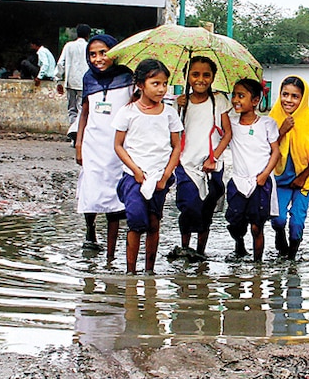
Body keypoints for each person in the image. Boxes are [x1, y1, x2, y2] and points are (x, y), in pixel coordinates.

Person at [113, 58, 183, 275]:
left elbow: (177, 146)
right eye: (155, 84)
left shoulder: (169, 113)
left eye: (164, 84)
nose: (161, 89)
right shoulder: (128, 112)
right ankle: (131, 272)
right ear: (141, 85)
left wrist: (166, 174)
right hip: (134, 176)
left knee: (154, 221)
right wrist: (135, 170)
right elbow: (118, 145)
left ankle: (149, 271)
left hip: (160, 176)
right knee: (135, 221)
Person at [74, 34, 132, 259]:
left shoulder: (127, 76)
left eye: (103, 52)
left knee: (114, 193)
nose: (98, 58)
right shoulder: (89, 78)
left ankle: (111, 250)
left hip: (118, 145)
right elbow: (85, 112)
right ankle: (90, 233)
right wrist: (79, 143)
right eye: (93, 54)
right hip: (93, 143)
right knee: (90, 188)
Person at [170, 56, 233, 261]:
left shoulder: (220, 100)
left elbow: (227, 133)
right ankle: (184, 247)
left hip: (212, 165)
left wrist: (213, 157)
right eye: (195, 74)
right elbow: (173, 132)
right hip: (186, 164)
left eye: (206, 75)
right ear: (186, 77)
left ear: (213, 77)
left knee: (206, 209)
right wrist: (179, 106)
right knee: (188, 205)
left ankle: (200, 251)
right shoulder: (181, 102)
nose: (201, 79)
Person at [269, 76, 309, 260]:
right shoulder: (273, 119)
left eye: (295, 96)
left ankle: (292, 258)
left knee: (296, 223)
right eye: (285, 94)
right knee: (277, 219)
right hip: (280, 179)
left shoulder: (308, 123)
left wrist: (303, 177)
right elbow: (264, 148)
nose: (288, 100)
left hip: (303, 180)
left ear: (302, 99)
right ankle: (280, 235)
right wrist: (282, 131)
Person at [224, 78, 281, 263]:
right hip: (238, 180)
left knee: (257, 226)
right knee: (235, 223)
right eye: (234, 95)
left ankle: (258, 265)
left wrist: (265, 174)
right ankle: (239, 245)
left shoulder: (267, 124)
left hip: (260, 181)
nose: (235, 100)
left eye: (241, 96)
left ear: (255, 101)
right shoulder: (230, 124)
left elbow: (276, 152)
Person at [55, 25, 92, 144]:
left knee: (72, 109)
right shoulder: (89, 47)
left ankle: (74, 136)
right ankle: (78, 136)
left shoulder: (69, 46)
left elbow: (61, 63)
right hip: (85, 83)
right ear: (88, 35)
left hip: (70, 82)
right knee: (82, 110)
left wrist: (58, 79)